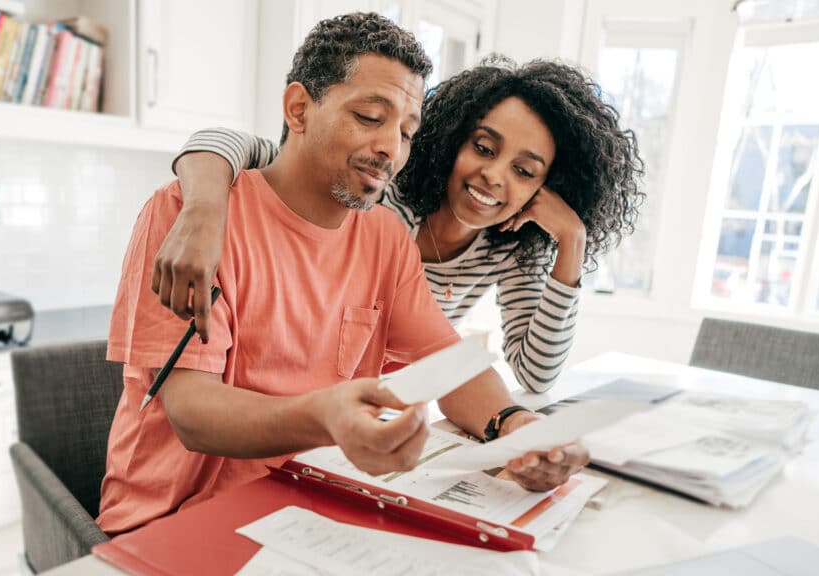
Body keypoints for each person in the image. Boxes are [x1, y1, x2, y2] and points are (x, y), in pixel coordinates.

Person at [100, 14, 588, 535]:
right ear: (298, 109)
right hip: (174, 524)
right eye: (370, 116)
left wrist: (516, 428)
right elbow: (191, 412)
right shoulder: (190, 216)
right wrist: (325, 416)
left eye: (406, 132)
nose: (391, 148)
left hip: (310, 505)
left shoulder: (383, 238)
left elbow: (449, 364)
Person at [155, 56, 645, 394]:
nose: (494, 177)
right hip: (314, 408)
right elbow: (233, 143)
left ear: (544, 189)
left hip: (382, 414)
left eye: (524, 171)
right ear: (452, 139)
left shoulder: (510, 248)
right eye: (483, 147)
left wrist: (571, 243)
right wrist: (201, 212)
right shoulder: (382, 190)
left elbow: (536, 375)